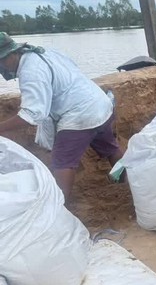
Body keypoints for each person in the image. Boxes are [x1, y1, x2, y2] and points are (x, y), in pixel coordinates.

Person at [0, 33, 124, 204]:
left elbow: (32, 114)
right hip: (99, 103)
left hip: (80, 115)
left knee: (62, 162)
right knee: (110, 148)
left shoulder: (30, 73)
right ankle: (129, 183)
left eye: (0, 61)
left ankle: (60, 205)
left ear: (11, 54)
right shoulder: (43, 52)